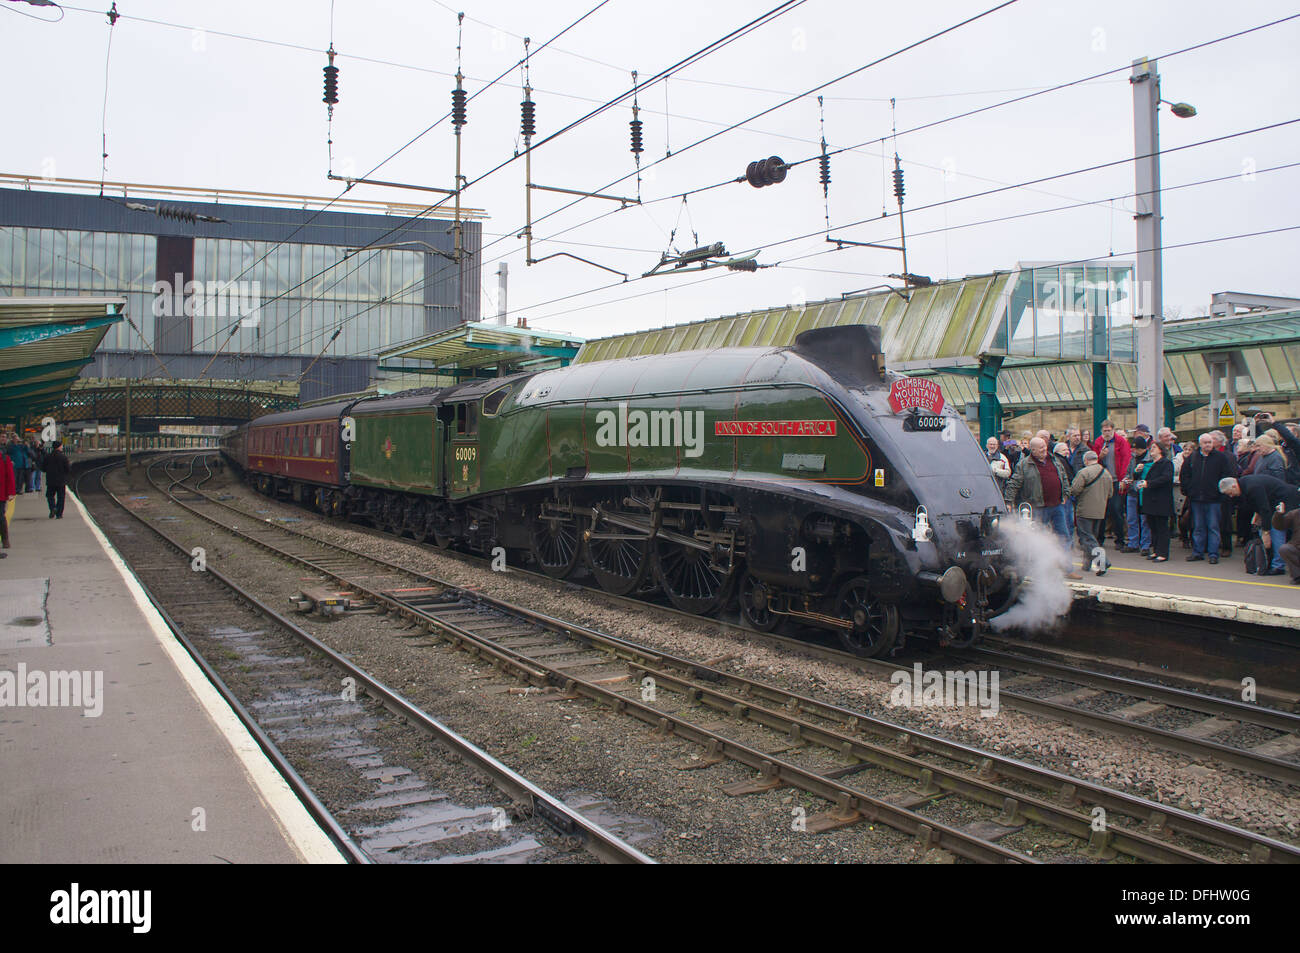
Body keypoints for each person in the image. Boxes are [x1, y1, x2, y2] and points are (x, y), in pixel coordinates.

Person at [1004, 436, 1078, 576]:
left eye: (1045, 446)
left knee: (1064, 536)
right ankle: (1038, 569)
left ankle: (1067, 568)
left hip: (1057, 506)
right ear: (1033, 450)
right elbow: (1014, 484)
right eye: (1041, 448)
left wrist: (1066, 494)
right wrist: (1008, 502)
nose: (1044, 449)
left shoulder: (1055, 460)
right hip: (1038, 507)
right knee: (1037, 539)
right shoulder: (1024, 465)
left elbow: (1063, 477)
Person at [1220, 475, 1300, 576]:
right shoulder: (1245, 484)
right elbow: (1259, 503)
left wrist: (1266, 532)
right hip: (1274, 502)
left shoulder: (1252, 487)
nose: (1231, 496)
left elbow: (1264, 508)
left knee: (1276, 530)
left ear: (1234, 486)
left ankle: (1278, 565)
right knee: (1270, 529)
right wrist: (1257, 515)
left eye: (1230, 493)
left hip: (1286, 501)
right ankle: (1271, 561)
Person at [1179, 432, 1234, 564]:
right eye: (1205, 443)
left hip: (1214, 499)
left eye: (1210, 442)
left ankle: (1213, 554)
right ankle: (1197, 552)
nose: (1208, 445)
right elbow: (1184, 475)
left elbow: (1227, 476)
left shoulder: (1221, 458)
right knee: (1198, 527)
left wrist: (1220, 493)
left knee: (1213, 527)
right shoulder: (1193, 457)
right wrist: (1188, 490)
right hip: (1196, 498)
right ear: (1200, 444)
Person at [1069, 450, 1113, 576]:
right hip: (1100, 511)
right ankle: (1086, 564)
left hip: (1085, 510)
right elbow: (1110, 494)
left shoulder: (1084, 472)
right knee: (1092, 537)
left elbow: (1075, 490)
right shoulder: (1107, 473)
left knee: (1087, 538)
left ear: (1086, 461)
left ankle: (1103, 562)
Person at [1136, 442, 1174, 562]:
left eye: (1154, 448)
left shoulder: (1166, 463)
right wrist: (1137, 471)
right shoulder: (1152, 464)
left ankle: (1163, 553)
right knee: (1153, 526)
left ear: (1160, 450)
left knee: (1161, 527)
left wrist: (1148, 483)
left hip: (1161, 501)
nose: (1151, 450)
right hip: (1151, 501)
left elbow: (1165, 478)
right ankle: (1156, 550)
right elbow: (1140, 477)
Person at [1121, 434, 1153, 555]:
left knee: (1144, 520)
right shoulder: (1133, 459)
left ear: (1143, 448)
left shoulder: (1150, 460)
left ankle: (1145, 545)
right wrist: (1126, 480)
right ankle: (1133, 543)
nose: (1134, 451)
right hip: (1132, 492)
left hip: (1144, 494)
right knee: (1131, 519)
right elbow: (1128, 474)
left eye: (1136, 448)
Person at [43, 440, 71, 519]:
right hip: (61, 481)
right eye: (61, 446)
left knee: (50, 495)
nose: (62, 447)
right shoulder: (63, 457)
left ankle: (53, 508)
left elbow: (43, 468)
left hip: (50, 480)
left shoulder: (47, 456)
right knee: (61, 497)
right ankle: (59, 514)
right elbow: (68, 469)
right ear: (59, 446)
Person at [1273, 506, 1300, 584]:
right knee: (1285, 549)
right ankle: (1297, 576)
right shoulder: (1295, 513)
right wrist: (1279, 514)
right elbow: (1279, 526)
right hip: (1297, 546)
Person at [0, 448, 12, 556]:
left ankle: (5, 539)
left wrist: (11, 492)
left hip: (1, 495)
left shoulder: (4, 458)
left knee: (1, 517)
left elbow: (10, 476)